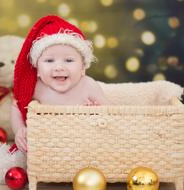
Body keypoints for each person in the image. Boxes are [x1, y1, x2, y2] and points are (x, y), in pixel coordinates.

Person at [12, 15, 111, 152]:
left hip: (85, 147)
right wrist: (19, 129)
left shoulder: (88, 86)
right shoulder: (37, 88)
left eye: (69, 60)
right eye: (49, 61)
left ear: (83, 68)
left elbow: (113, 113)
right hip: (50, 149)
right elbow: (17, 106)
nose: (59, 67)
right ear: (38, 70)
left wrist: (97, 113)